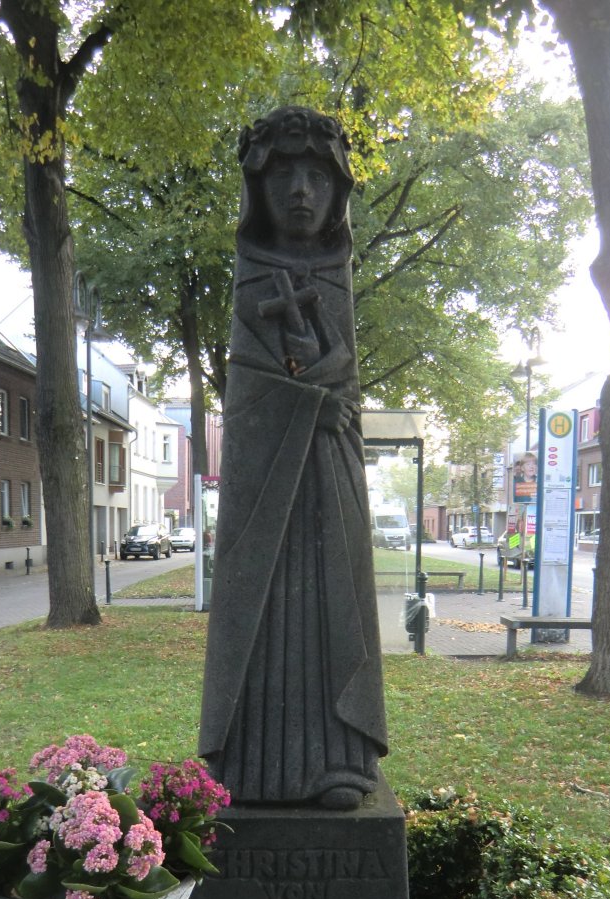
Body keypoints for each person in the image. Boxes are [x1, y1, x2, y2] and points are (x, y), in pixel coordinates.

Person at [198, 106, 387, 810]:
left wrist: (327, 404)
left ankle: (338, 756)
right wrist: (308, 405)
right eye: (285, 177)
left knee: (330, 599)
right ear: (258, 191)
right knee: (265, 608)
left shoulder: (335, 275)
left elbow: (345, 381)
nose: (302, 191)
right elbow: (246, 395)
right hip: (266, 487)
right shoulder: (252, 277)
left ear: (338, 192)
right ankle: (246, 762)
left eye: (316, 176)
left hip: (326, 484)